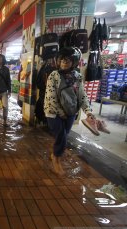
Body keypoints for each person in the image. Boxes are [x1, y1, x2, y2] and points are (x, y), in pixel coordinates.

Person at [44, 47, 95, 175]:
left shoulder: (77, 77)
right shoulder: (54, 76)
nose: (65, 62)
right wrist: (61, 113)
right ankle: (56, 158)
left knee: (64, 136)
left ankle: (55, 152)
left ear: (74, 62)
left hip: (71, 113)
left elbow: (82, 96)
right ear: (58, 61)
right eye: (62, 60)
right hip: (53, 112)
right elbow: (51, 97)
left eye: (68, 60)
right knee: (61, 135)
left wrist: (88, 112)